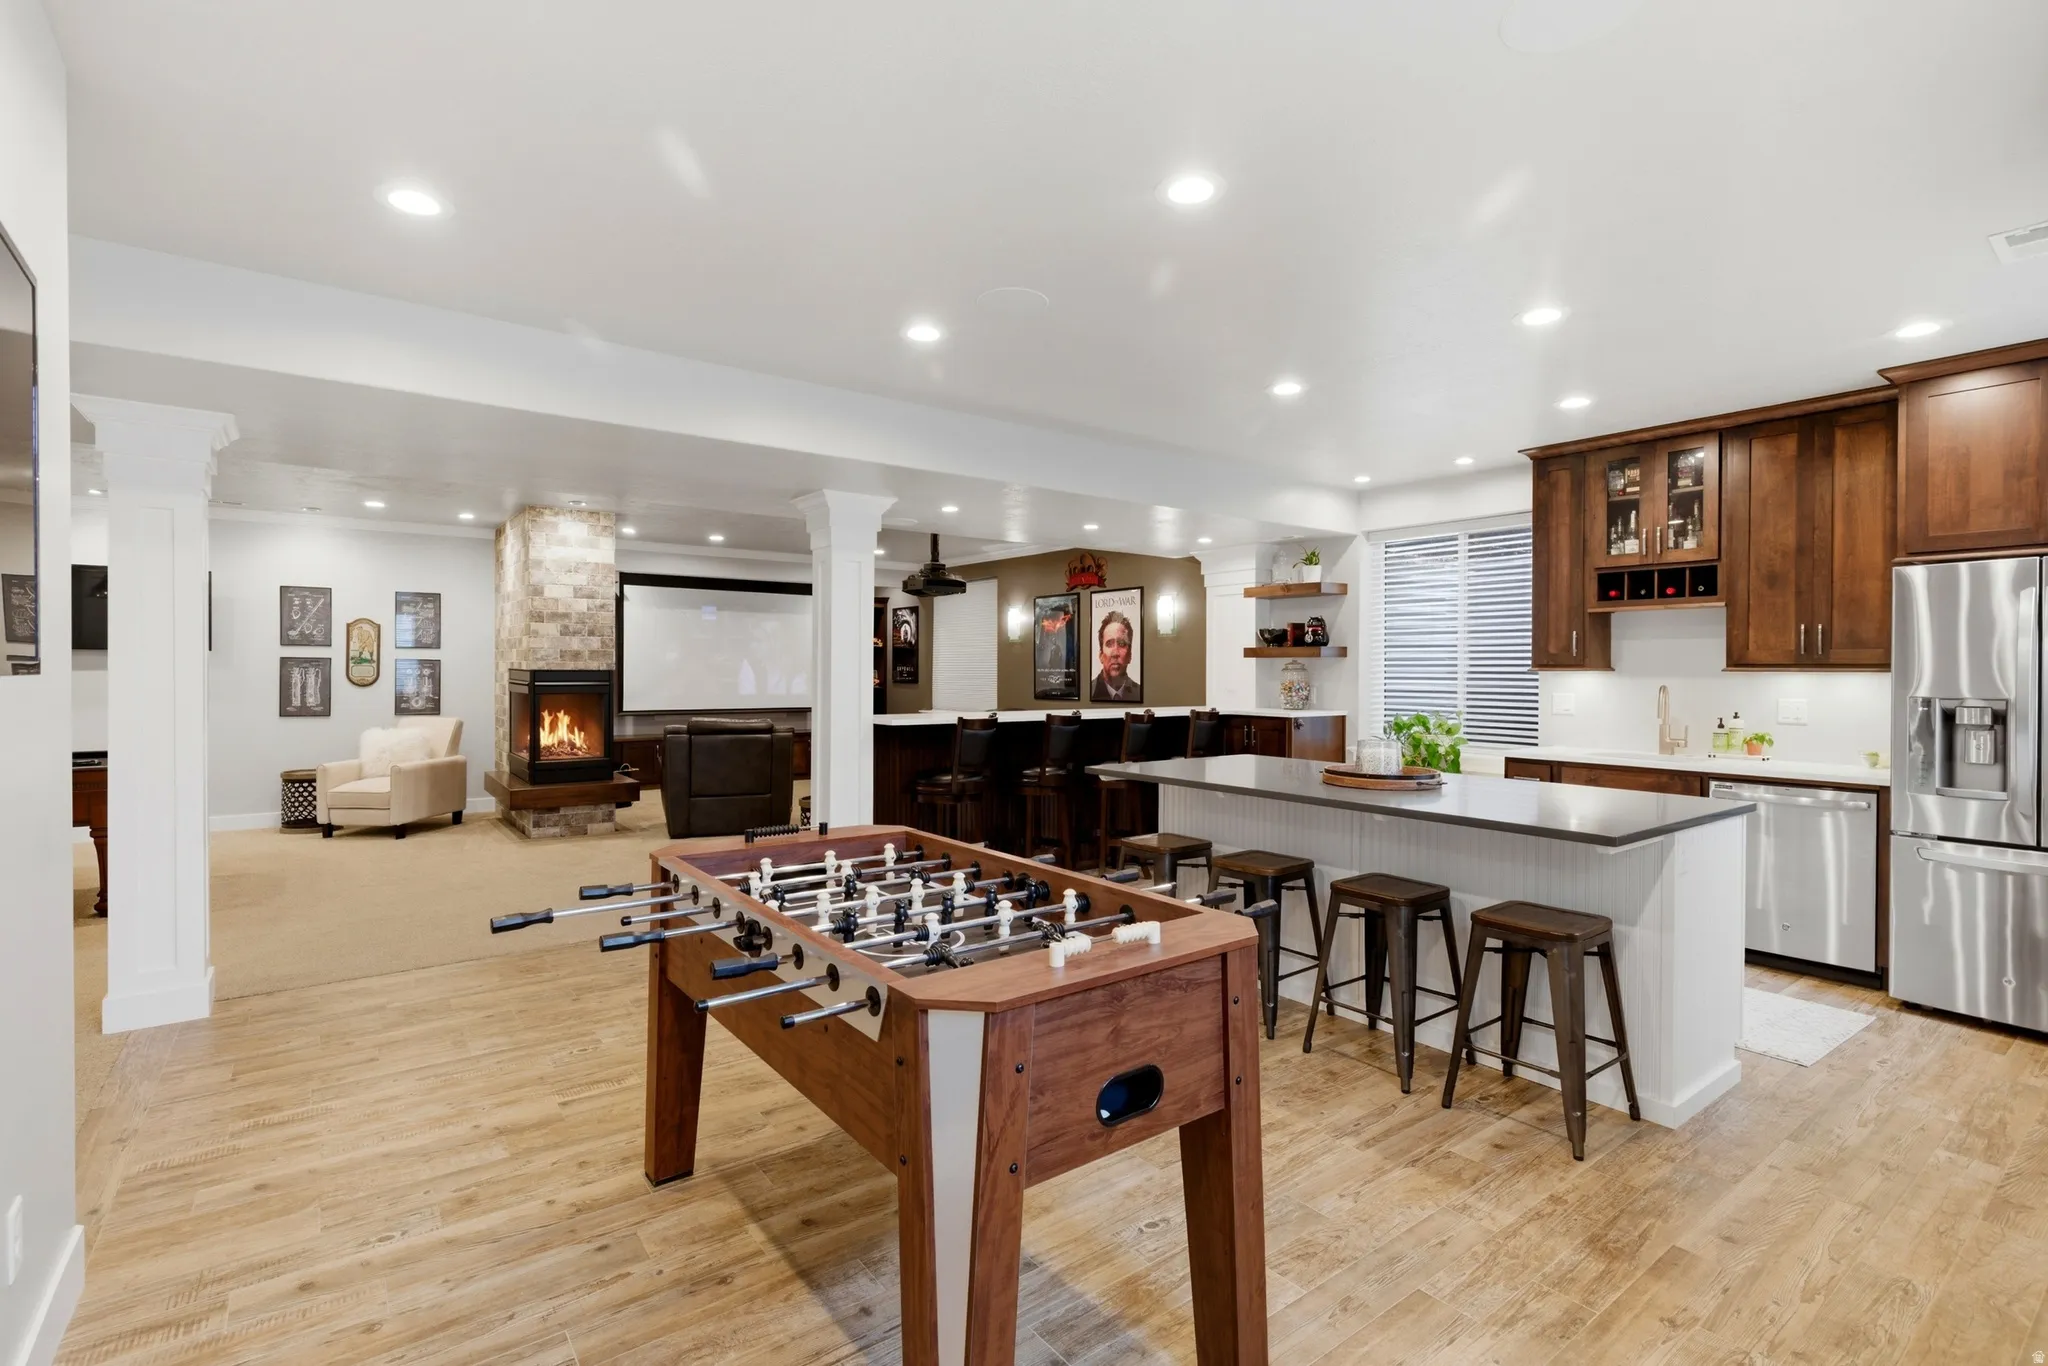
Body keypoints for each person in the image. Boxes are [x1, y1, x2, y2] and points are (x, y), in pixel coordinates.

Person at [1090, 609, 1139, 702]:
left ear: (1130, 655)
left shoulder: (1139, 693)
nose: (1115, 653)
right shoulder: (1089, 691)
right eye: (1109, 644)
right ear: (1100, 655)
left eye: (1121, 644)